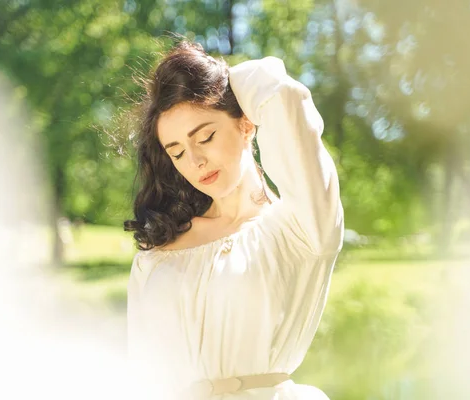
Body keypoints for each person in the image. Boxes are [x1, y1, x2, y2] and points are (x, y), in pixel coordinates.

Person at [123, 41, 344, 400]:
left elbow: (282, 96)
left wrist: (227, 82)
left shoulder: (302, 228)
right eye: (176, 152)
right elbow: (140, 376)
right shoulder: (155, 255)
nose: (194, 160)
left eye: (205, 137)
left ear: (246, 124)